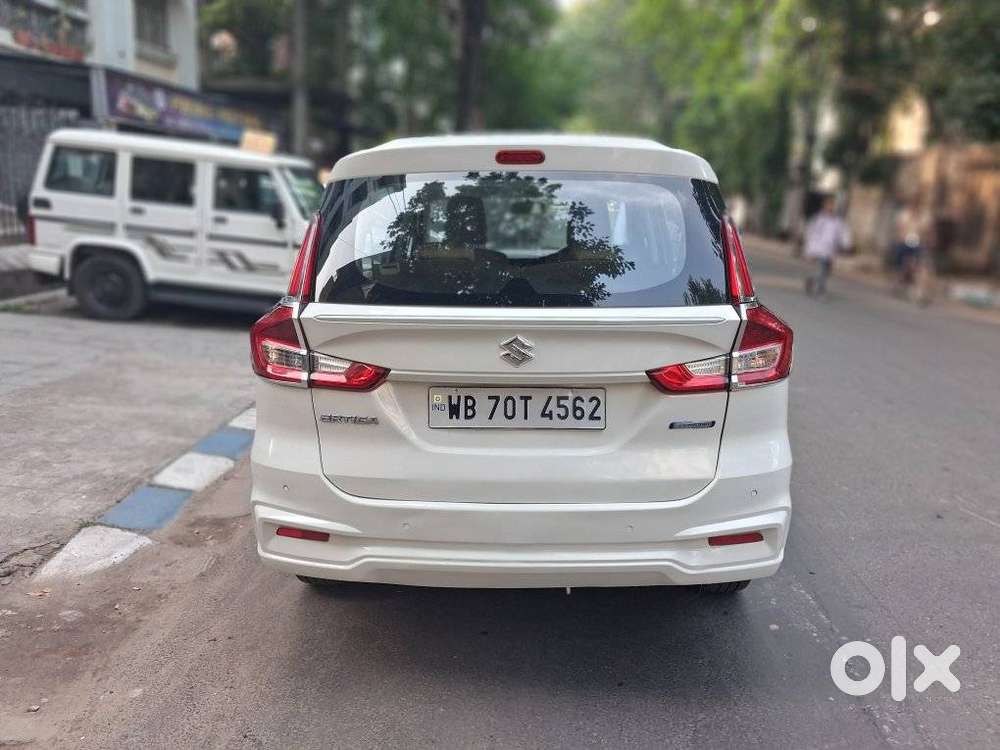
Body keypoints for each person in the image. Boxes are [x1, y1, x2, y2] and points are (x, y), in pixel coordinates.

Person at [803, 196, 851, 297]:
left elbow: (843, 233)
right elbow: (812, 234)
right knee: (822, 271)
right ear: (824, 206)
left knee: (826, 272)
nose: (830, 207)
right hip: (819, 249)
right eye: (828, 205)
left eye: (832, 206)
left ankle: (811, 280)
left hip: (831, 251)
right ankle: (821, 291)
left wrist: (847, 245)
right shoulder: (819, 219)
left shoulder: (837, 221)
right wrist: (809, 250)